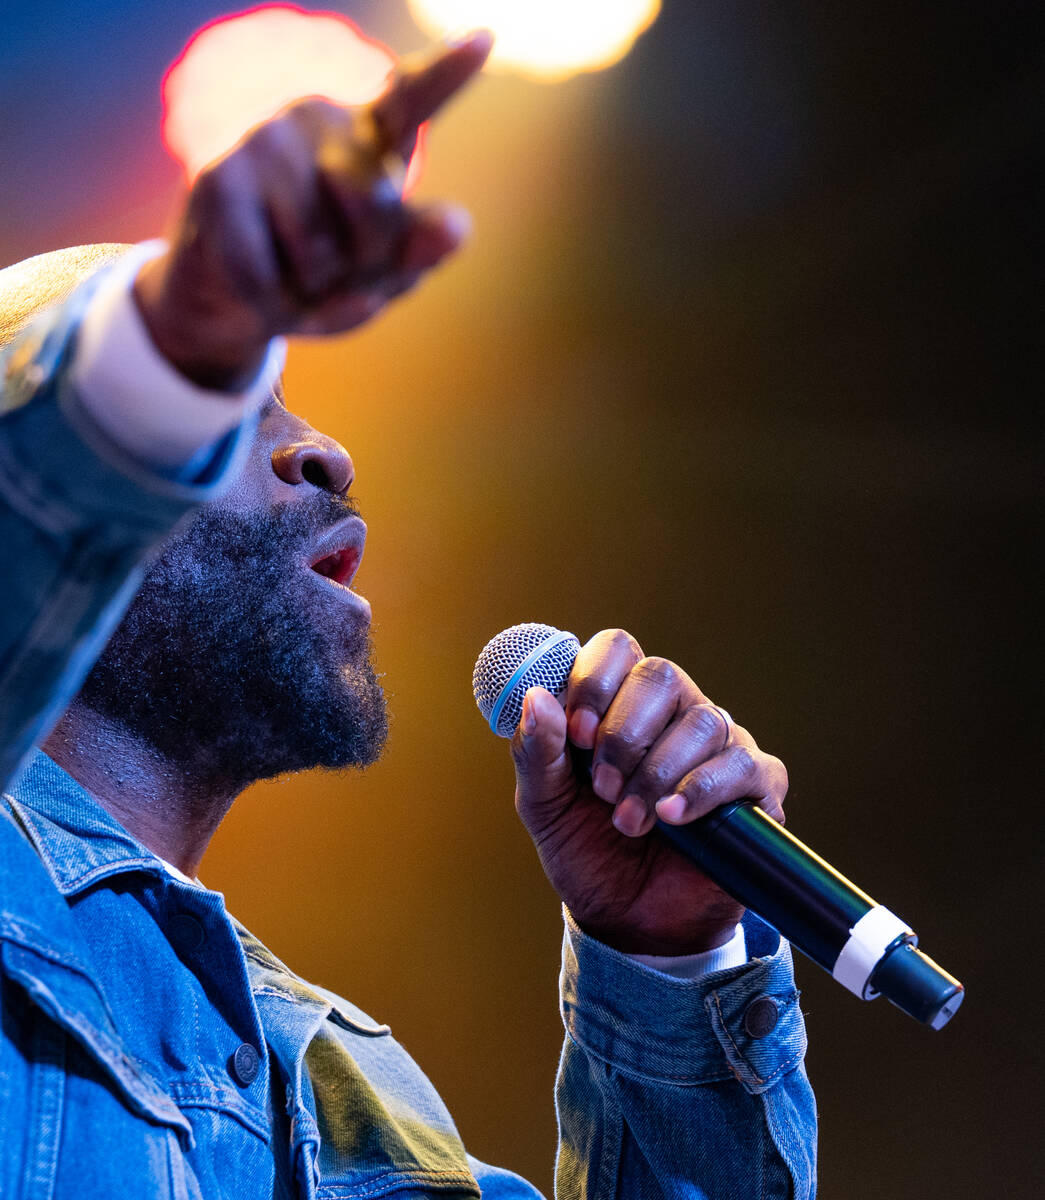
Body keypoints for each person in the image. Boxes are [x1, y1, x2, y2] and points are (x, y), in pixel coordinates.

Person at [0, 34, 816, 1198]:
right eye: (231, 401)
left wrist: (669, 964)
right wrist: (161, 353)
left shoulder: (365, 1106)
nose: (324, 451)